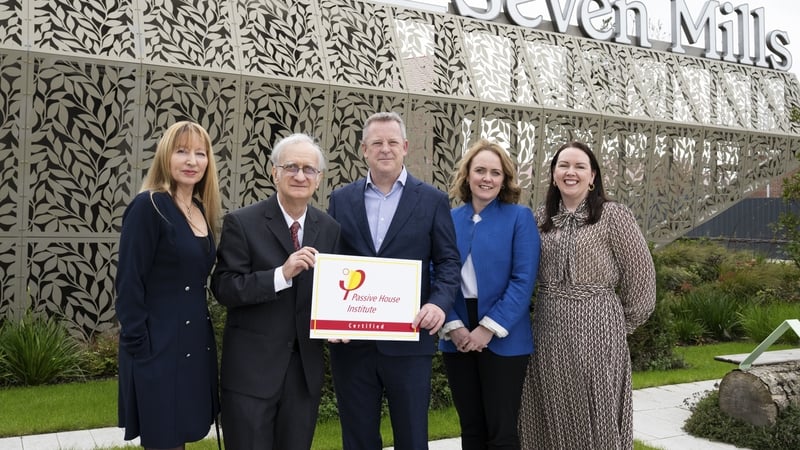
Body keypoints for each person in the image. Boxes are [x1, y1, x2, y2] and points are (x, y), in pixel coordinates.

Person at [327, 111, 461, 450]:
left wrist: (438, 304)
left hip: (409, 339)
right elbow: (332, 263)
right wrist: (330, 316)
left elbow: (448, 262)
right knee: (357, 438)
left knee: (412, 437)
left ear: (404, 147)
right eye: (376, 143)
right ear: (364, 150)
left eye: (391, 142)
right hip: (352, 343)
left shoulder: (432, 200)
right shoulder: (340, 200)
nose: (384, 149)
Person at [517, 141, 656, 450]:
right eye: (563, 166)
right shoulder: (540, 218)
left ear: (592, 176)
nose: (571, 172)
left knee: (594, 407)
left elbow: (642, 277)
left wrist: (619, 326)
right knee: (549, 403)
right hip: (548, 328)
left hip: (599, 329)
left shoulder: (613, 215)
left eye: (580, 166)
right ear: (553, 174)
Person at [210, 133, 340, 450]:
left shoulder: (329, 229)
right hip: (251, 375)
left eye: (309, 169)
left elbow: (331, 293)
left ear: (319, 178)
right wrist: (280, 275)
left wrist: (339, 323)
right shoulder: (242, 222)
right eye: (291, 166)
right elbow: (224, 287)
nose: (300, 175)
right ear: (274, 172)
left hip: (303, 376)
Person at [115, 120, 222, 450]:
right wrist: (140, 348)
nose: (192, 161)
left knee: (183, 434)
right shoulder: (149, 207)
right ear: (166, 156)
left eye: (200, 153)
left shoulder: (201, 209)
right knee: (163, 439)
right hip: (157, 347)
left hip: (193, 345)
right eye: (182, 151)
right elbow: (129, 282)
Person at [438, 139, 540, 450]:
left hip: (504, 333)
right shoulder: (449, 218)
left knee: (502, 431)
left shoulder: (519, 217)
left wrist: (487, 329)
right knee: (470, 427)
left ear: (505, 179)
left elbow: (523, 280)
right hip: (457, 329)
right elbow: (435, 272)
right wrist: (453, 327)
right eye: (480, 170)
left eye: (495, 173)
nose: (487, 178)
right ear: (467, 175)